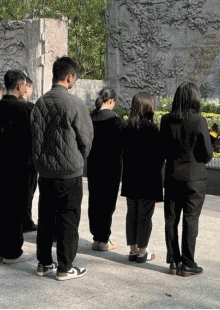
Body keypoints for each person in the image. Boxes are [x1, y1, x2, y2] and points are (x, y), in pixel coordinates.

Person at [31, 57, 93, 281]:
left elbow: (35, 139)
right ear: (69, 77)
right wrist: (79, 158)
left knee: (46, 218)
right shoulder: (75, 103)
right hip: (69, 173)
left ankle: (44, 263)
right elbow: (86, 138)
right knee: (68, 219)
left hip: (46, 172)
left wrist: (40, 163)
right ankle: (65, 267)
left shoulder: (40, 103)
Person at [160, 82, 213, 277]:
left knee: (171, 219)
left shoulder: (166, 120)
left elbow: (162, 149)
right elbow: (206, 154)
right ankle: (188, 263)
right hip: (194, 178)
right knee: (190, 220)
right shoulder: (199, 121)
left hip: (172, 176)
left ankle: (174, 262)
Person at [0, 69, 35, 264]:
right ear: (20, 85)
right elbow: (31, 139)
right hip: (19, 166)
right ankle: (12, 252)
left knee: (0, 208)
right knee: (16, 209)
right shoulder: (24, 109)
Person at [121, 92, 163, 264]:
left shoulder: (126, 127)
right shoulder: (152, 129)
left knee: (132, 213)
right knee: (145, 215)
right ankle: (142, 252)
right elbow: (159, 156)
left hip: (131, 177)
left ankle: (132, 249)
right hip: (148, 178)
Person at [87, 87, 124, 251]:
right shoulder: (116, 120)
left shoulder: (90, 117)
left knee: (94, 200)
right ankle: (103, 239)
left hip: (93, 165)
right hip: (111, 167)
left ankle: (96, 237)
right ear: (111, 101)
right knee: (107, 202)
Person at [21, 75, 37, 232]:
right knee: (27, 192)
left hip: (6, 159)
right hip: (28, 157)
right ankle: (25, 221)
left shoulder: (0, 107)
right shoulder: (30, 108)